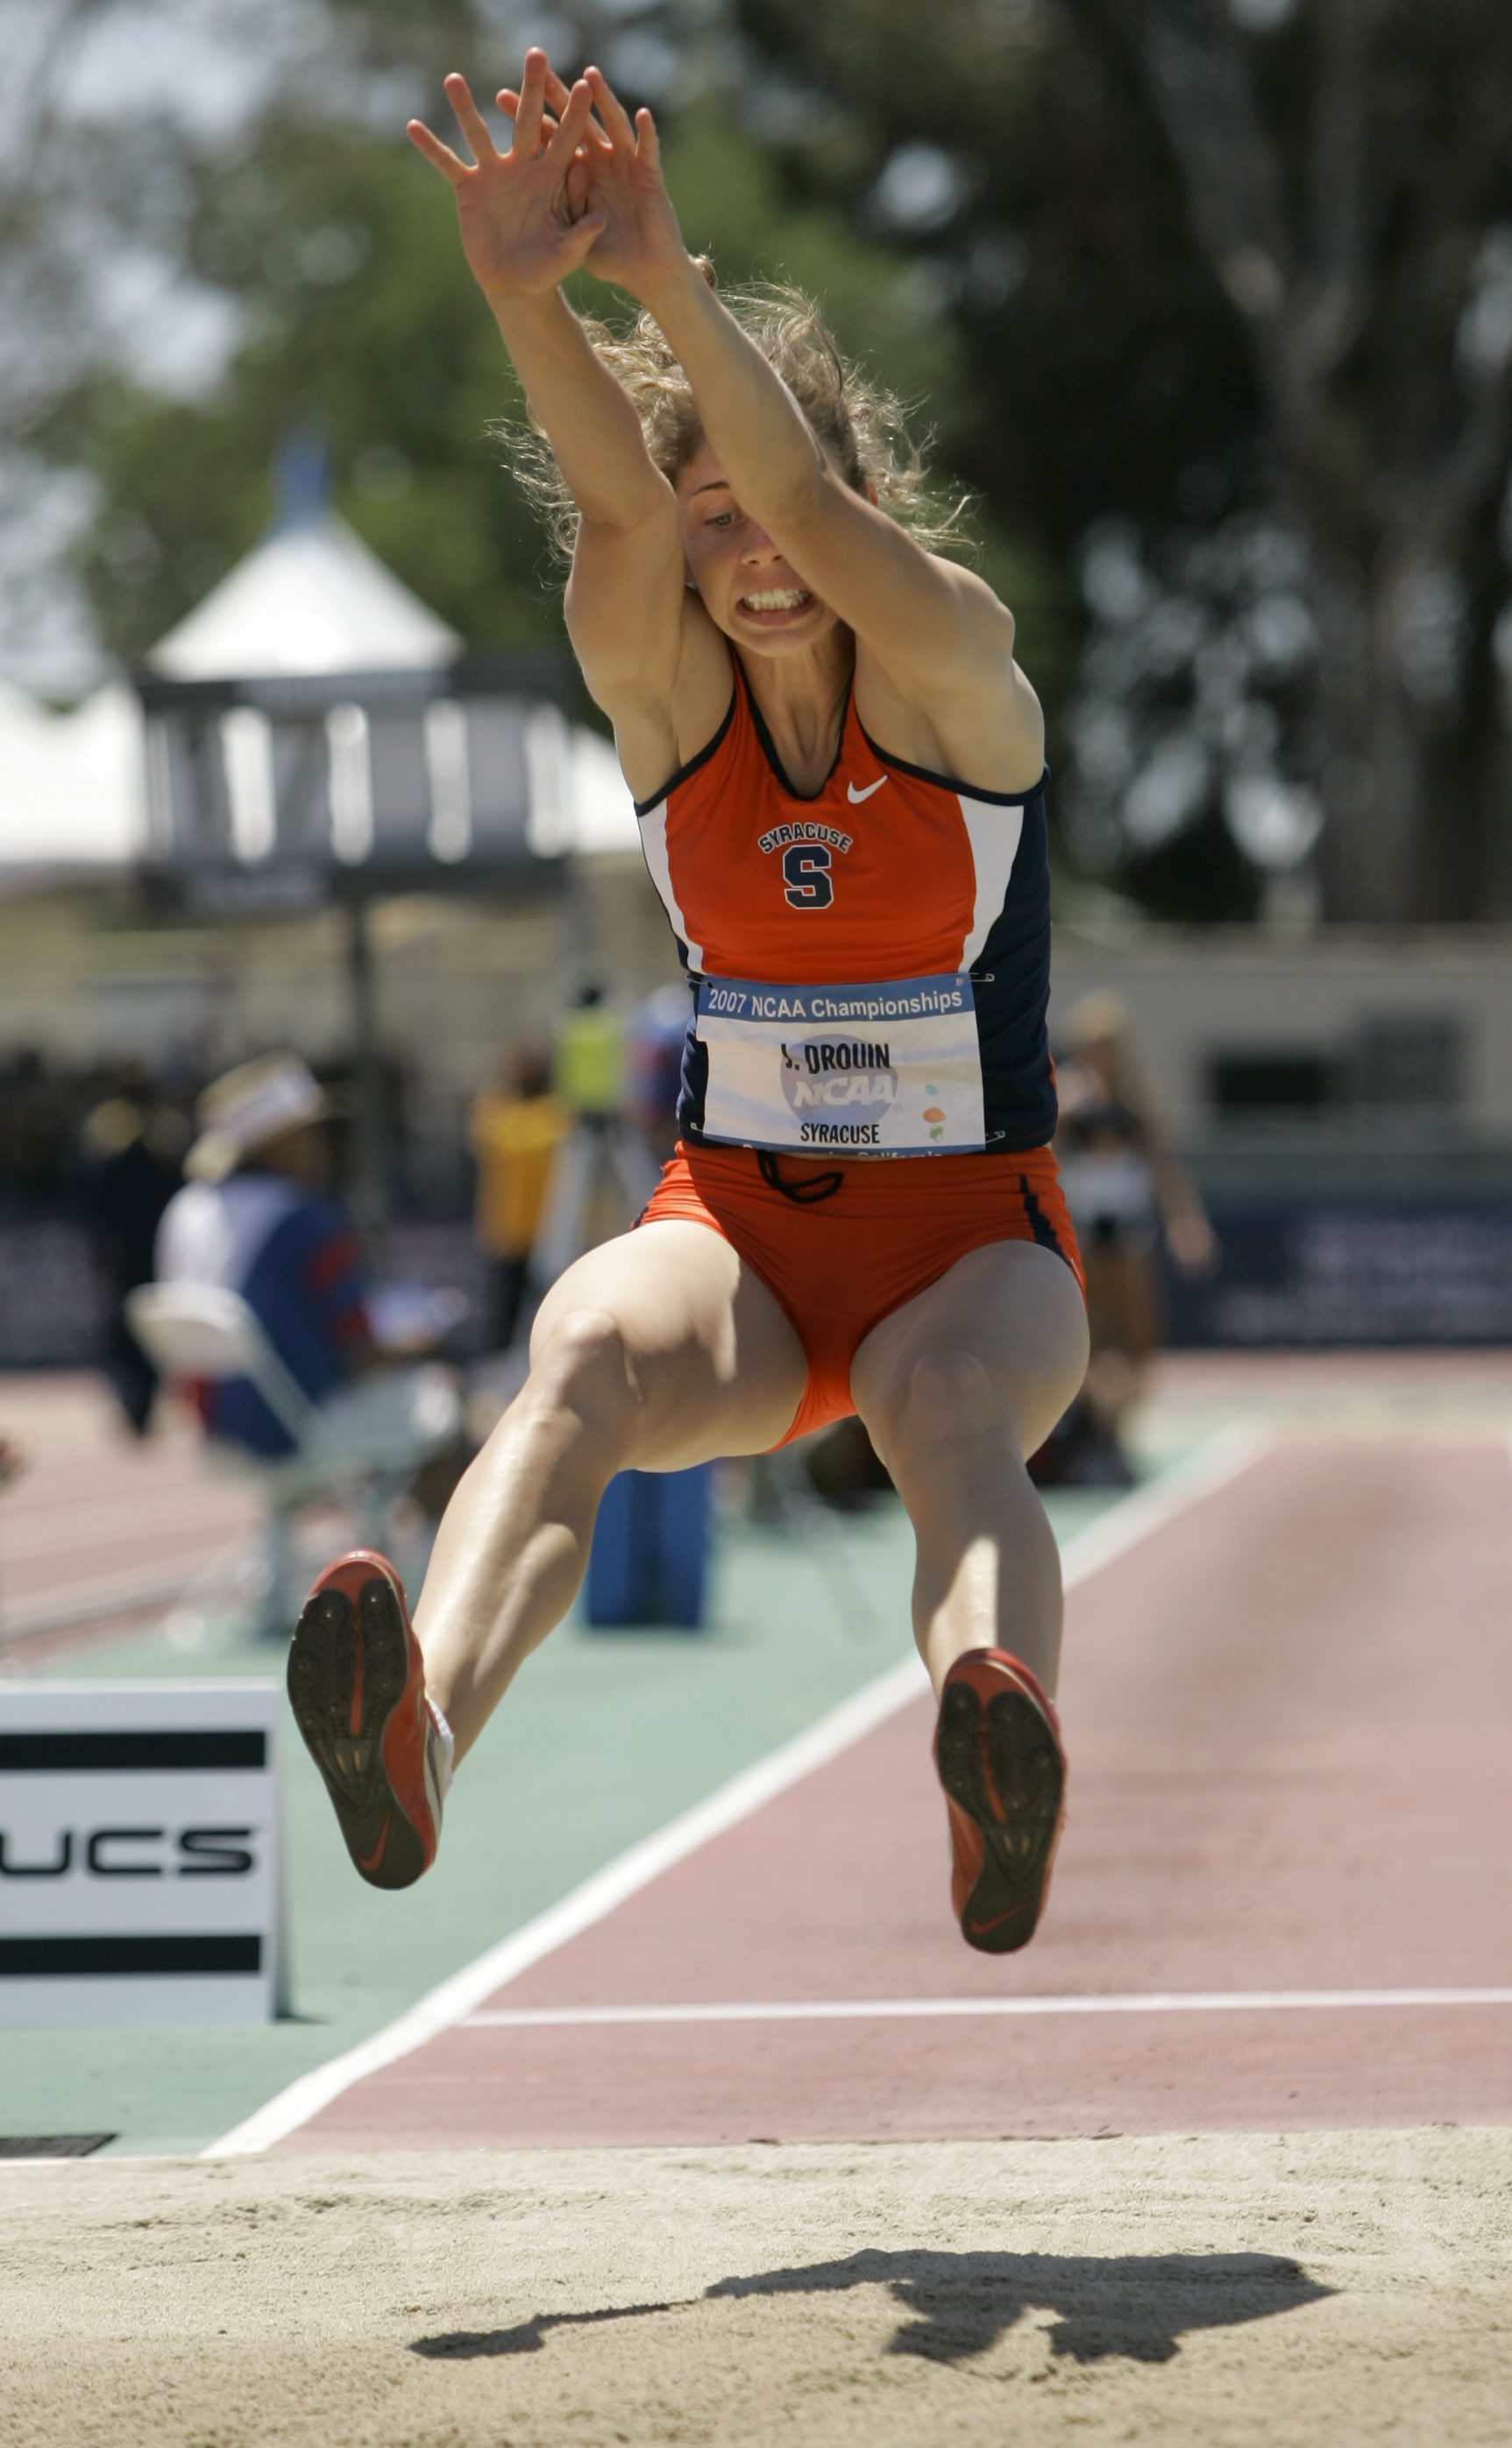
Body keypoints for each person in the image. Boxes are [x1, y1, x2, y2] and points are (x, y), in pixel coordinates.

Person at [287, 52, 1090, 1953]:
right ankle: (423, 1734)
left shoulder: (955, 672)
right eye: (708, 521)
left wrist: (663, 280)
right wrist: (522, 295)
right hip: (732, 1221)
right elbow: (621, 522)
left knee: (947, 1411)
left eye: (773, 514)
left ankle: (998, 1753)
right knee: (572, 1352)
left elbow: (806, 502)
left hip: (973, 1235)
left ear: (856, 507)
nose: (746, 556)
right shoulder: (664, 708)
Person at [154, 1053, 373, 1459]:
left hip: (213, 1428)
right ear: (277, 1141)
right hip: (297, 1427)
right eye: (307, 1133)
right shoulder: (303, 1218)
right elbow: (356, 1340)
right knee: (440, 1398)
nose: (319, 1146)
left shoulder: (186, 1208)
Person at [1052, 994, 1217, 1484]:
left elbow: (1165, 1169)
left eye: (1111, 1047)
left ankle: (1118, 1432)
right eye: (1094, 1047)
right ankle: (1088, 1436)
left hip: (1128, 1235)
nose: (1103, 1057)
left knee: (1137, 1340)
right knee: (1090, 1340)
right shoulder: (1066, 1099)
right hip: (1082, 1232)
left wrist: (1187, 1224)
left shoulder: (1136, 1102)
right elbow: (1047, 1161)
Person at [467, 1040, 570, 1351]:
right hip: (507, 1236)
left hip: (546, 1236)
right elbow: (494, 1135)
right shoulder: (498, 1111)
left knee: (548, 1310)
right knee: (504, 1315)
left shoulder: (553, 1115)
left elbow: (532, 1138)